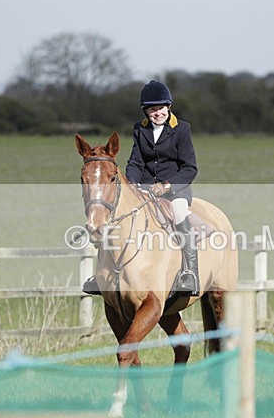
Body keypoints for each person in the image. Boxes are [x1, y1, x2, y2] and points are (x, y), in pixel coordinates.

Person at [83, 80, 201, 296]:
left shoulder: (182, 129)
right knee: (113, 216)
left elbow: (190, 168)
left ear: (168, 107)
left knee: (179, 213)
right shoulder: (140, 129)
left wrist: (166, 185)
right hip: (144, 189)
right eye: (152, 109)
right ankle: (101, 274)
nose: (157, 113)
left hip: (175, 190)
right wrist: (133, 185)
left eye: (160, 108)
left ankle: (190, 273)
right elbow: (136, 161)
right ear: (146, 111)